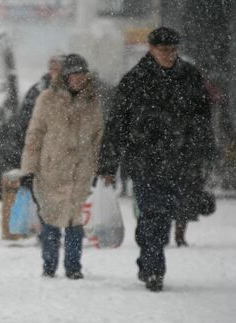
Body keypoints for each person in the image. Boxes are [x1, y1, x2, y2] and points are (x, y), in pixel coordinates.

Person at [97, 27, 216, 291]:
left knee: (164, 215)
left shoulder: (190, 77)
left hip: (178, 160)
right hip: (144, 161)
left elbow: (202, 119)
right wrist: (108, 164)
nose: (168, 55)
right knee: (153, 212)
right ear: (151, 49)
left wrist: (204, 151)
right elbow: (117, 124)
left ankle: (149, 258)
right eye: (163, 50)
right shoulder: (135, 80)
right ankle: (153, 269)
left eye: (173, 50)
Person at [20, 54, 103, 279]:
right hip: (51, 169)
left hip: (81, 169)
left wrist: (97, 167)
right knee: (50, 217)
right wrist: (28, 170)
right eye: (74, 75)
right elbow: (34, 135)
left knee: (75, 219)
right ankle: (49, 264)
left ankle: (74, 266)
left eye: (82, 74)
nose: (78, 79)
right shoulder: (46, 99)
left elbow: (98, 138)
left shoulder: (93, 102)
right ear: (65, 76)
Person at [8, 55, 65, 168]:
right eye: (51, 68)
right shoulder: (36, 90)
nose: (53, 72)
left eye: (57, 69)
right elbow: (24, 120)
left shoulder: (72, 93)